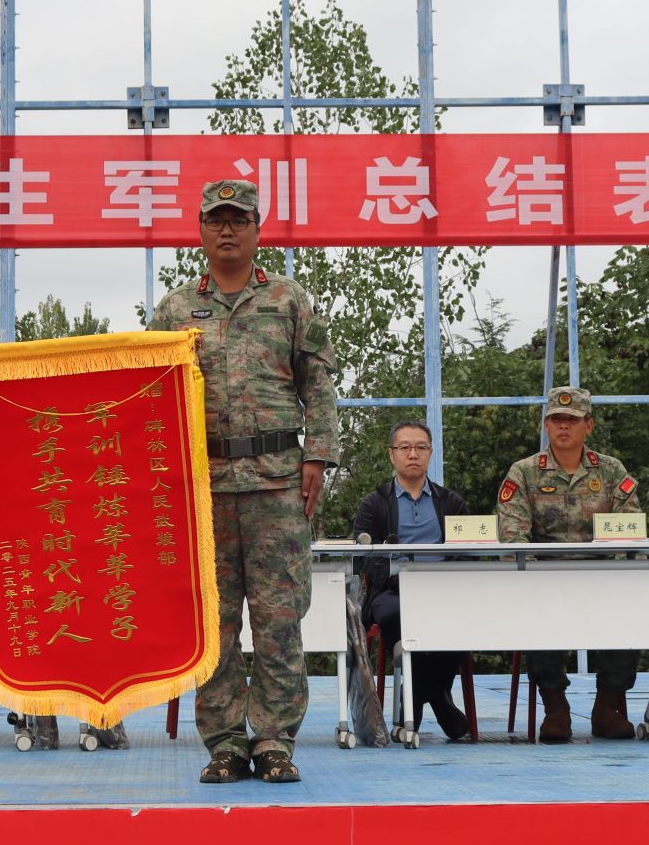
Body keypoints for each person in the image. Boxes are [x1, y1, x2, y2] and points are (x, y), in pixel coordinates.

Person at [148, 179, 340, 785]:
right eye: (216, 220)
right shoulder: (175, 310)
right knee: (215, 622)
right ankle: (226, 741)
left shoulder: (288, 299)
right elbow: (151, 394)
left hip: (277, 483)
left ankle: (275, 739)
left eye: (238, 219)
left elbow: (318, 384)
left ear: (258, 229)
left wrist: (319, 456)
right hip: (202, 487)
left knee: (280, 619)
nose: (227, 229)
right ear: (200, 231)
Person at [496, 386, 641, 742]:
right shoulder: (524, 472)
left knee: (629, 609)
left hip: (602, 578)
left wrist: (614, 573)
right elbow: (512, 536)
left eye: (572, 420)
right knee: (539, 611)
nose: (564, 426)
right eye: (557, 419)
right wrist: (538, 576)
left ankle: (607, 707)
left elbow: (629, 529)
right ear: (546, 425)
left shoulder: (611, 470)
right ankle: (555, 708)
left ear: (588, 425)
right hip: (547, 578)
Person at [352, 419, 471, 741]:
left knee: (463, 617)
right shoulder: (375, 503)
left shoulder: (452, 502)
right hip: (393, 592)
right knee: (394, 614)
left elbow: (469, 552)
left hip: (443, 591)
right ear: (391, 454)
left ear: (431, 453)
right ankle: (440, 701)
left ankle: (415, 697)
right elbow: (363, 557)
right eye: (405, 447)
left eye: (420, 447)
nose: (413, 454)